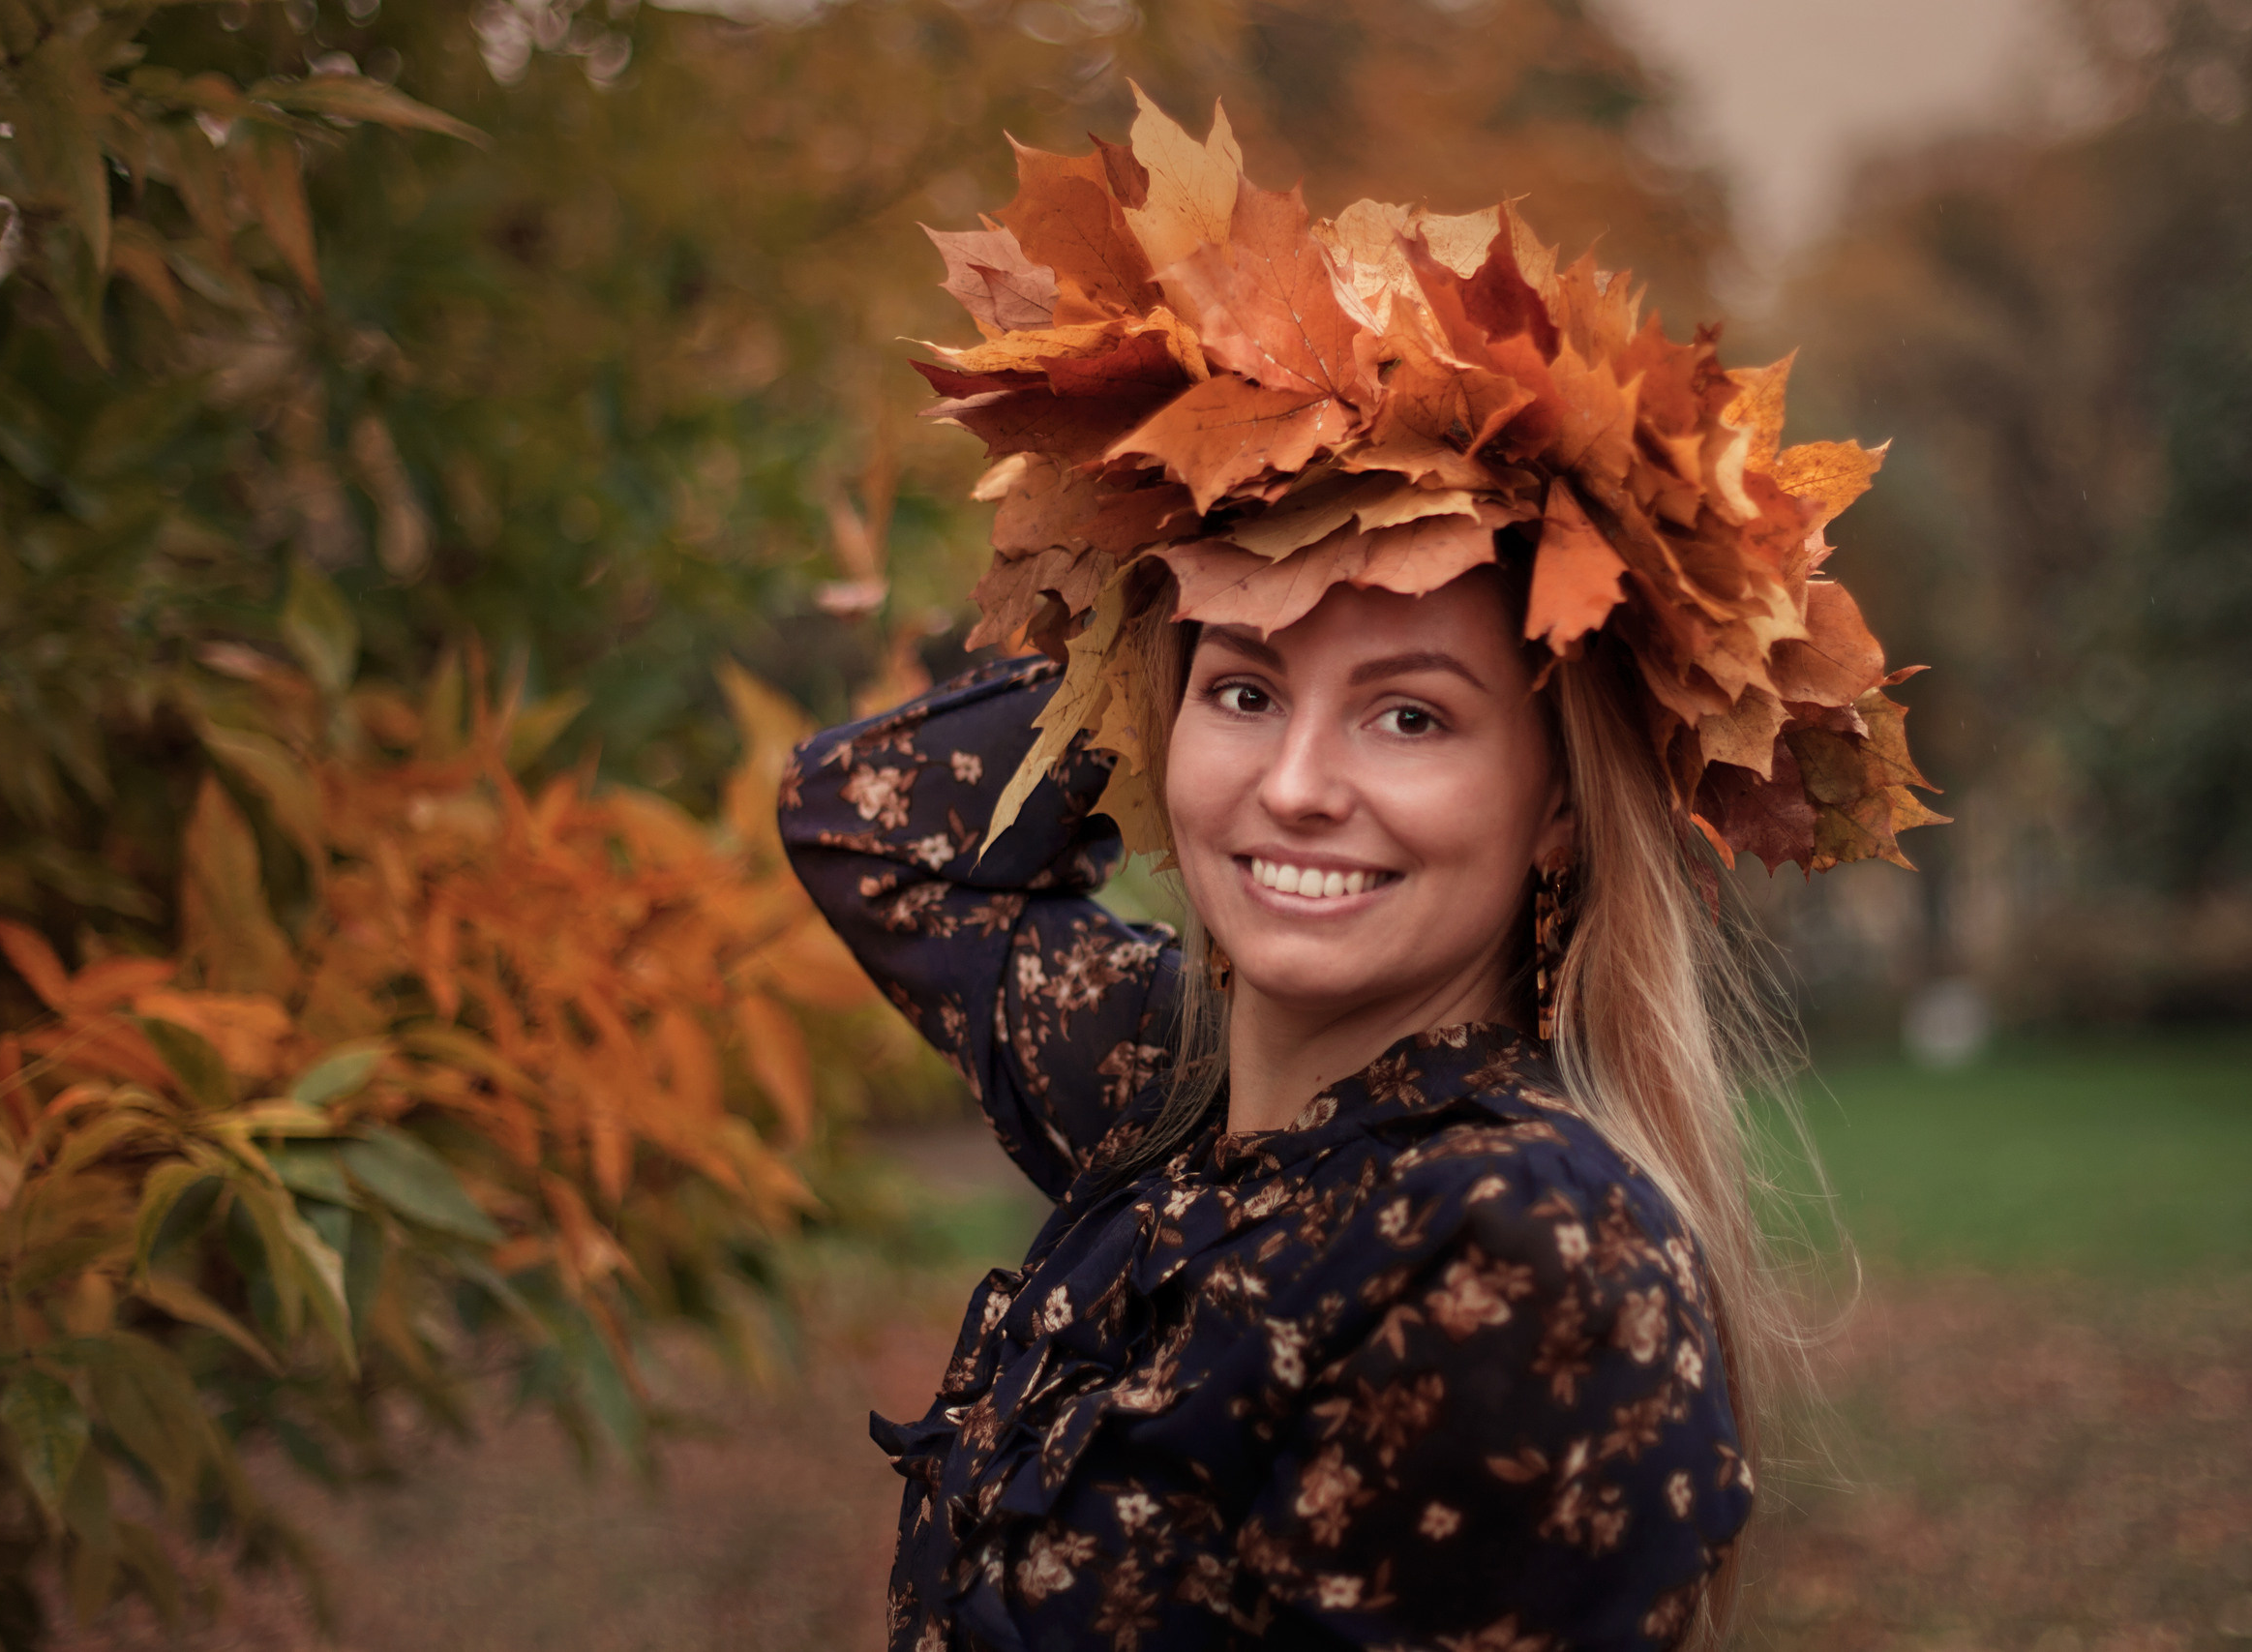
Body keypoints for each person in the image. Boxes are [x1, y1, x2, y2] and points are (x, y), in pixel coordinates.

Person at [780, 91, 1938, 1652]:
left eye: (1409, 713)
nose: (1298, 787)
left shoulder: (1514, 1245)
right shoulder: (1177, 1096)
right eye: (1245, 692)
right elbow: (867, 819)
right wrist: (1179, 545)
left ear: (1556, 810)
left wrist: (1430, 470)